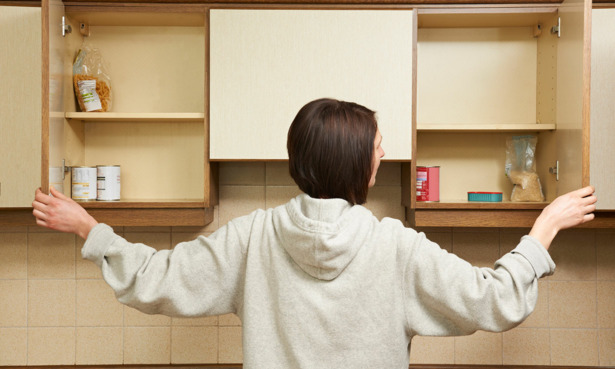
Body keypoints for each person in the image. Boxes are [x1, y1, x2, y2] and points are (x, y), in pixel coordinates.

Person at [32, 98, 597, 369]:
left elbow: (157, 278)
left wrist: (91, 229)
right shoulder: (393, 245)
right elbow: (494, 299)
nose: (381, 162)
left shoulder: (252, 237)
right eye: (378, 153)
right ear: (361, 168)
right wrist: (544, 226)